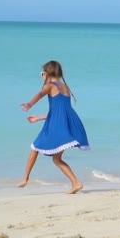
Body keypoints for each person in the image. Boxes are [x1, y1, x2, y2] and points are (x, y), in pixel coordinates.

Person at [18, 60, 90, 194]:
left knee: (34, 147)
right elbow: (59, 111)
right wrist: (39, 117)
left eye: (41, 74)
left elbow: (39, 95)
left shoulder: (50, 85)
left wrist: (29, 104)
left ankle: (25, 178)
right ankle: (76, 183)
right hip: (66, 122)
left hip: (57, 126)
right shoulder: (64, 87)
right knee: (56, 159)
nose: (41, 77)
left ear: (46, 73)